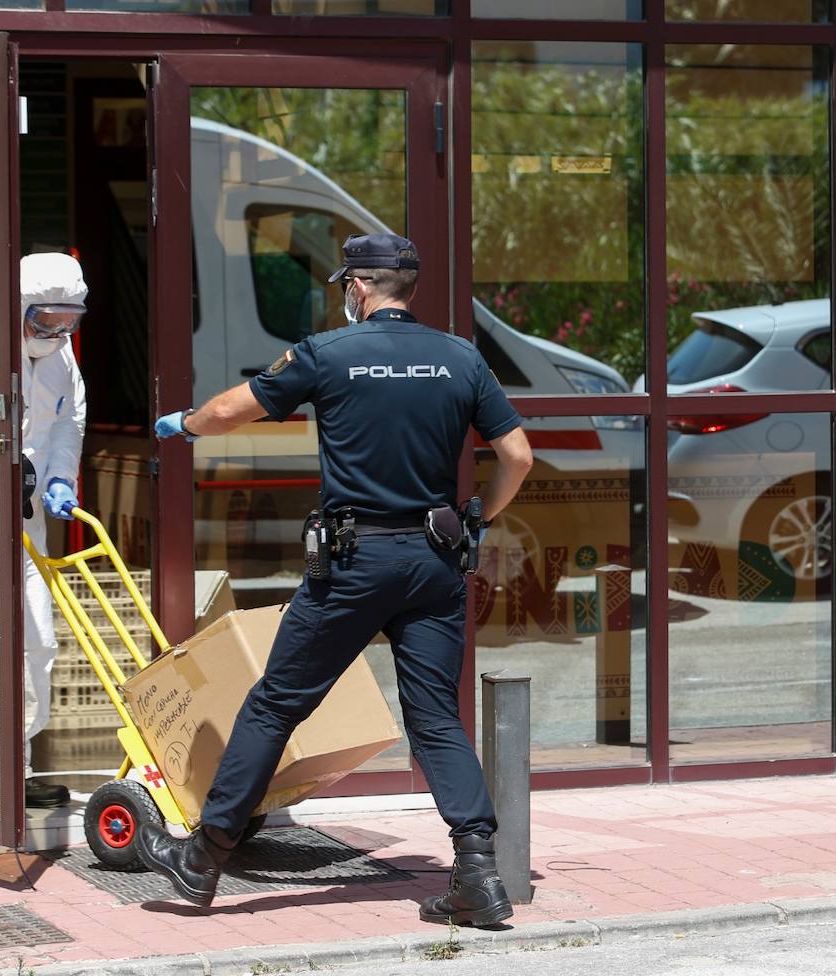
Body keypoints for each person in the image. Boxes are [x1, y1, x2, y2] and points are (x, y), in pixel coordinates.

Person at [142, 233, 534, 925]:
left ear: (357, 287)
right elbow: (518, 456)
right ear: (405, 287)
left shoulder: (327, 353)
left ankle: (203, 859)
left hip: (355, 566)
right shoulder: (459, 357)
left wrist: (185, 424)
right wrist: (477, 520)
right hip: (434, 563)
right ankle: (477, 872)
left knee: (276, 704)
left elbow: (231, 410)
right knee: (436, 717)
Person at [15, 253, 89, 808]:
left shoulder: (62, 358)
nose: (58, 330)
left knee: (37, 637)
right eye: (46, 319)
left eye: (69, 320)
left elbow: (69, 421)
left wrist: (60, 478)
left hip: (28, 513)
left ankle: (17, 766)